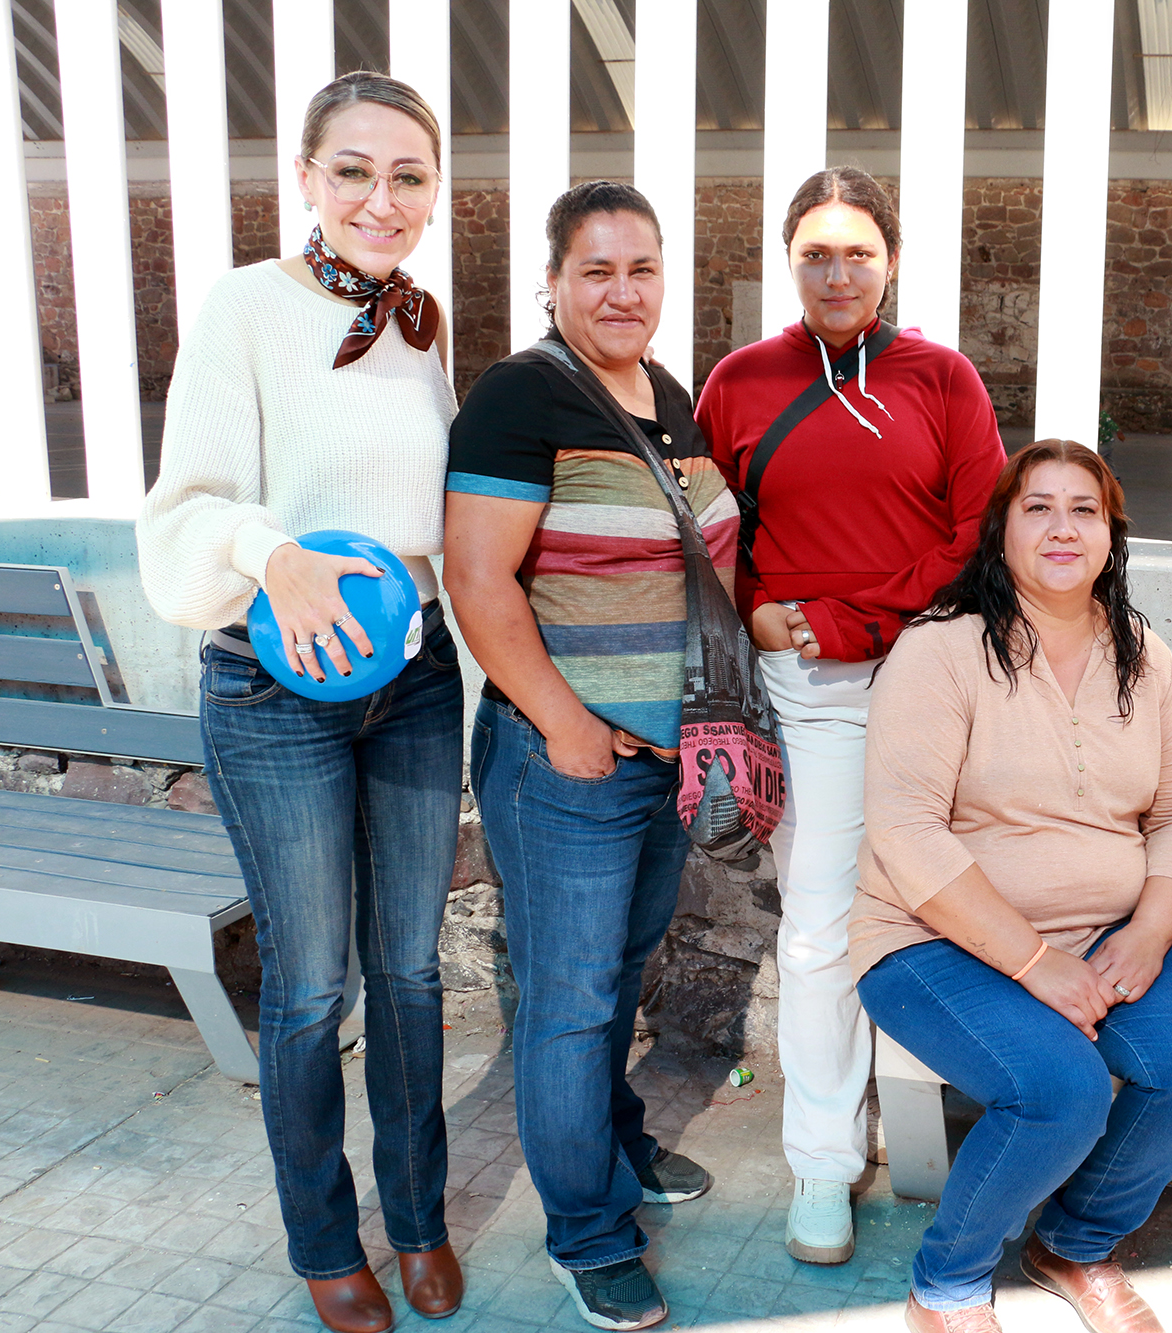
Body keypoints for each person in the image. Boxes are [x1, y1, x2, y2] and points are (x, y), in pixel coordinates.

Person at [136, 72, 464, 1333]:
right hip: (274, 687)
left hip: (412, 681)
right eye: (354, 172)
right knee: (312, 984)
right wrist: (272, 553)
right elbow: (187, 503)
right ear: (308, 180)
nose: (382, 199)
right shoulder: (245, 307)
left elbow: (433, 520)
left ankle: (420, 1217)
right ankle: (327, 1240)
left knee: (412, 971)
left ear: (432, 193)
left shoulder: (421, 325)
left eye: (408, 176)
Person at [855, 440, 1172, 1333]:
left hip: (1103, 930)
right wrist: (1035, 962)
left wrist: (1148, 932)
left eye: (1084, 510)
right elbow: (906, 831)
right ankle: (947, 1284)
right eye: (1037, 507)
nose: (1062, 527)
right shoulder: (940, 651)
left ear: (1112, 536)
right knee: (1059, 1090)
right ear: (1000, 531)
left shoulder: (1144, 656)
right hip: (931, 940)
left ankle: (1073, 1244)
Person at [696, 166, 1007, 1263]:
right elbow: (703, 534)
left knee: (944, 910)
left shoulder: (942, 378)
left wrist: (852, 617)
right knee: (822, 927)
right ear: (789, 262)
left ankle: (959, 1125)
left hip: (935, 679)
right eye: (816, 254)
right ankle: (825, 1160)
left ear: (892, 261)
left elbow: (980, 532)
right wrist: (760, 608)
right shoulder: (741, 381)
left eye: (858, 253)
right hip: (809, 695)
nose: (838, 274)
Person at [443, 181, 720, 1332]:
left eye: (640, 268)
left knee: (616, 977)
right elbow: (477, 577)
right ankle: (589, 1234)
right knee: (566, 1002)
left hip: (655, 761)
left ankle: (612, 1143)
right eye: (595, 270)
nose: (621, 291)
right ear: (551, 282)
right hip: (566, 763)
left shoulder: (666, 395)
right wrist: (565, 723)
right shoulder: (521, 394)